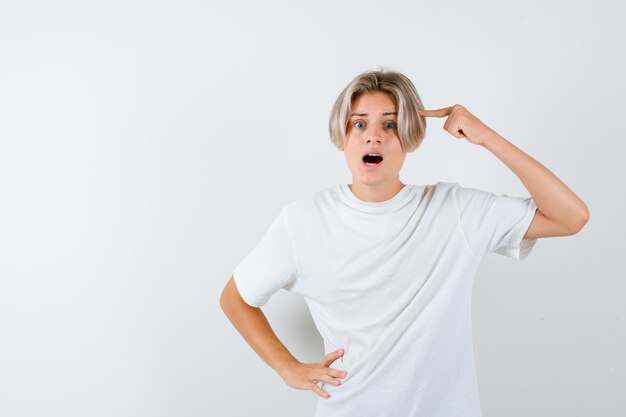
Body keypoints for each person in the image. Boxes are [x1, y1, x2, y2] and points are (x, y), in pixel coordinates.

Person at [219, 68, 590, 417]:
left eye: (390, 124)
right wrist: (287, 368)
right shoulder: (303, 221)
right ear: (343, 137)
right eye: (359, 123)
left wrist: (486, 137)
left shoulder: (454, 210)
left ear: (410, 137)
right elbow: (236, 297)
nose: (373, 135)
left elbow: (570, 217)